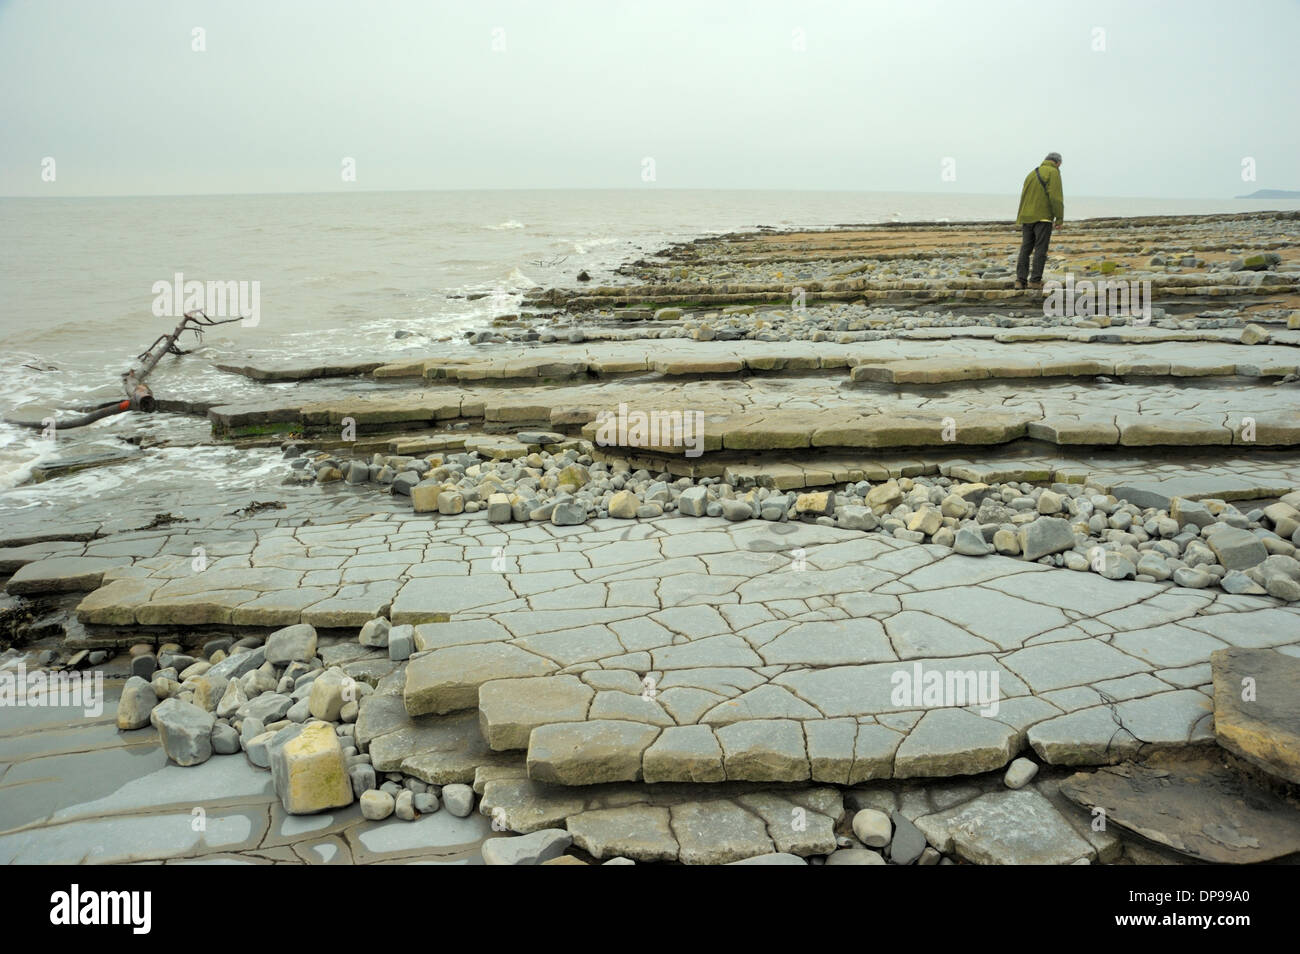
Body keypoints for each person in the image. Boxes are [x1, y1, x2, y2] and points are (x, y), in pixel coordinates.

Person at [1014, 152, 1064, 290]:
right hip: (1043, 217)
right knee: (1040, 249)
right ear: (1057, 162)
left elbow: (1024, 196)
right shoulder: (1053, 172)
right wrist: (1059, 218)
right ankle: (1035, 281)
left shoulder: (1031, 173)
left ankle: (1020, 280)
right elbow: (1056, 197)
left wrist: (1021, 216)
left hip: (1026, 217)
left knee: (1025, 249)